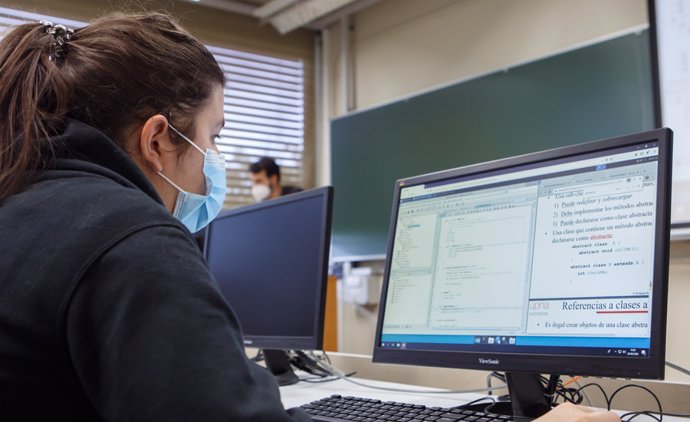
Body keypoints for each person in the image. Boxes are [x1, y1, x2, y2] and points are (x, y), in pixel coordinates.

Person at [0, 10, 620, 422]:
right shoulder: (130, 241)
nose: (215, 162)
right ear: (159, 139)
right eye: (212, 137)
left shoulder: (27, 205)